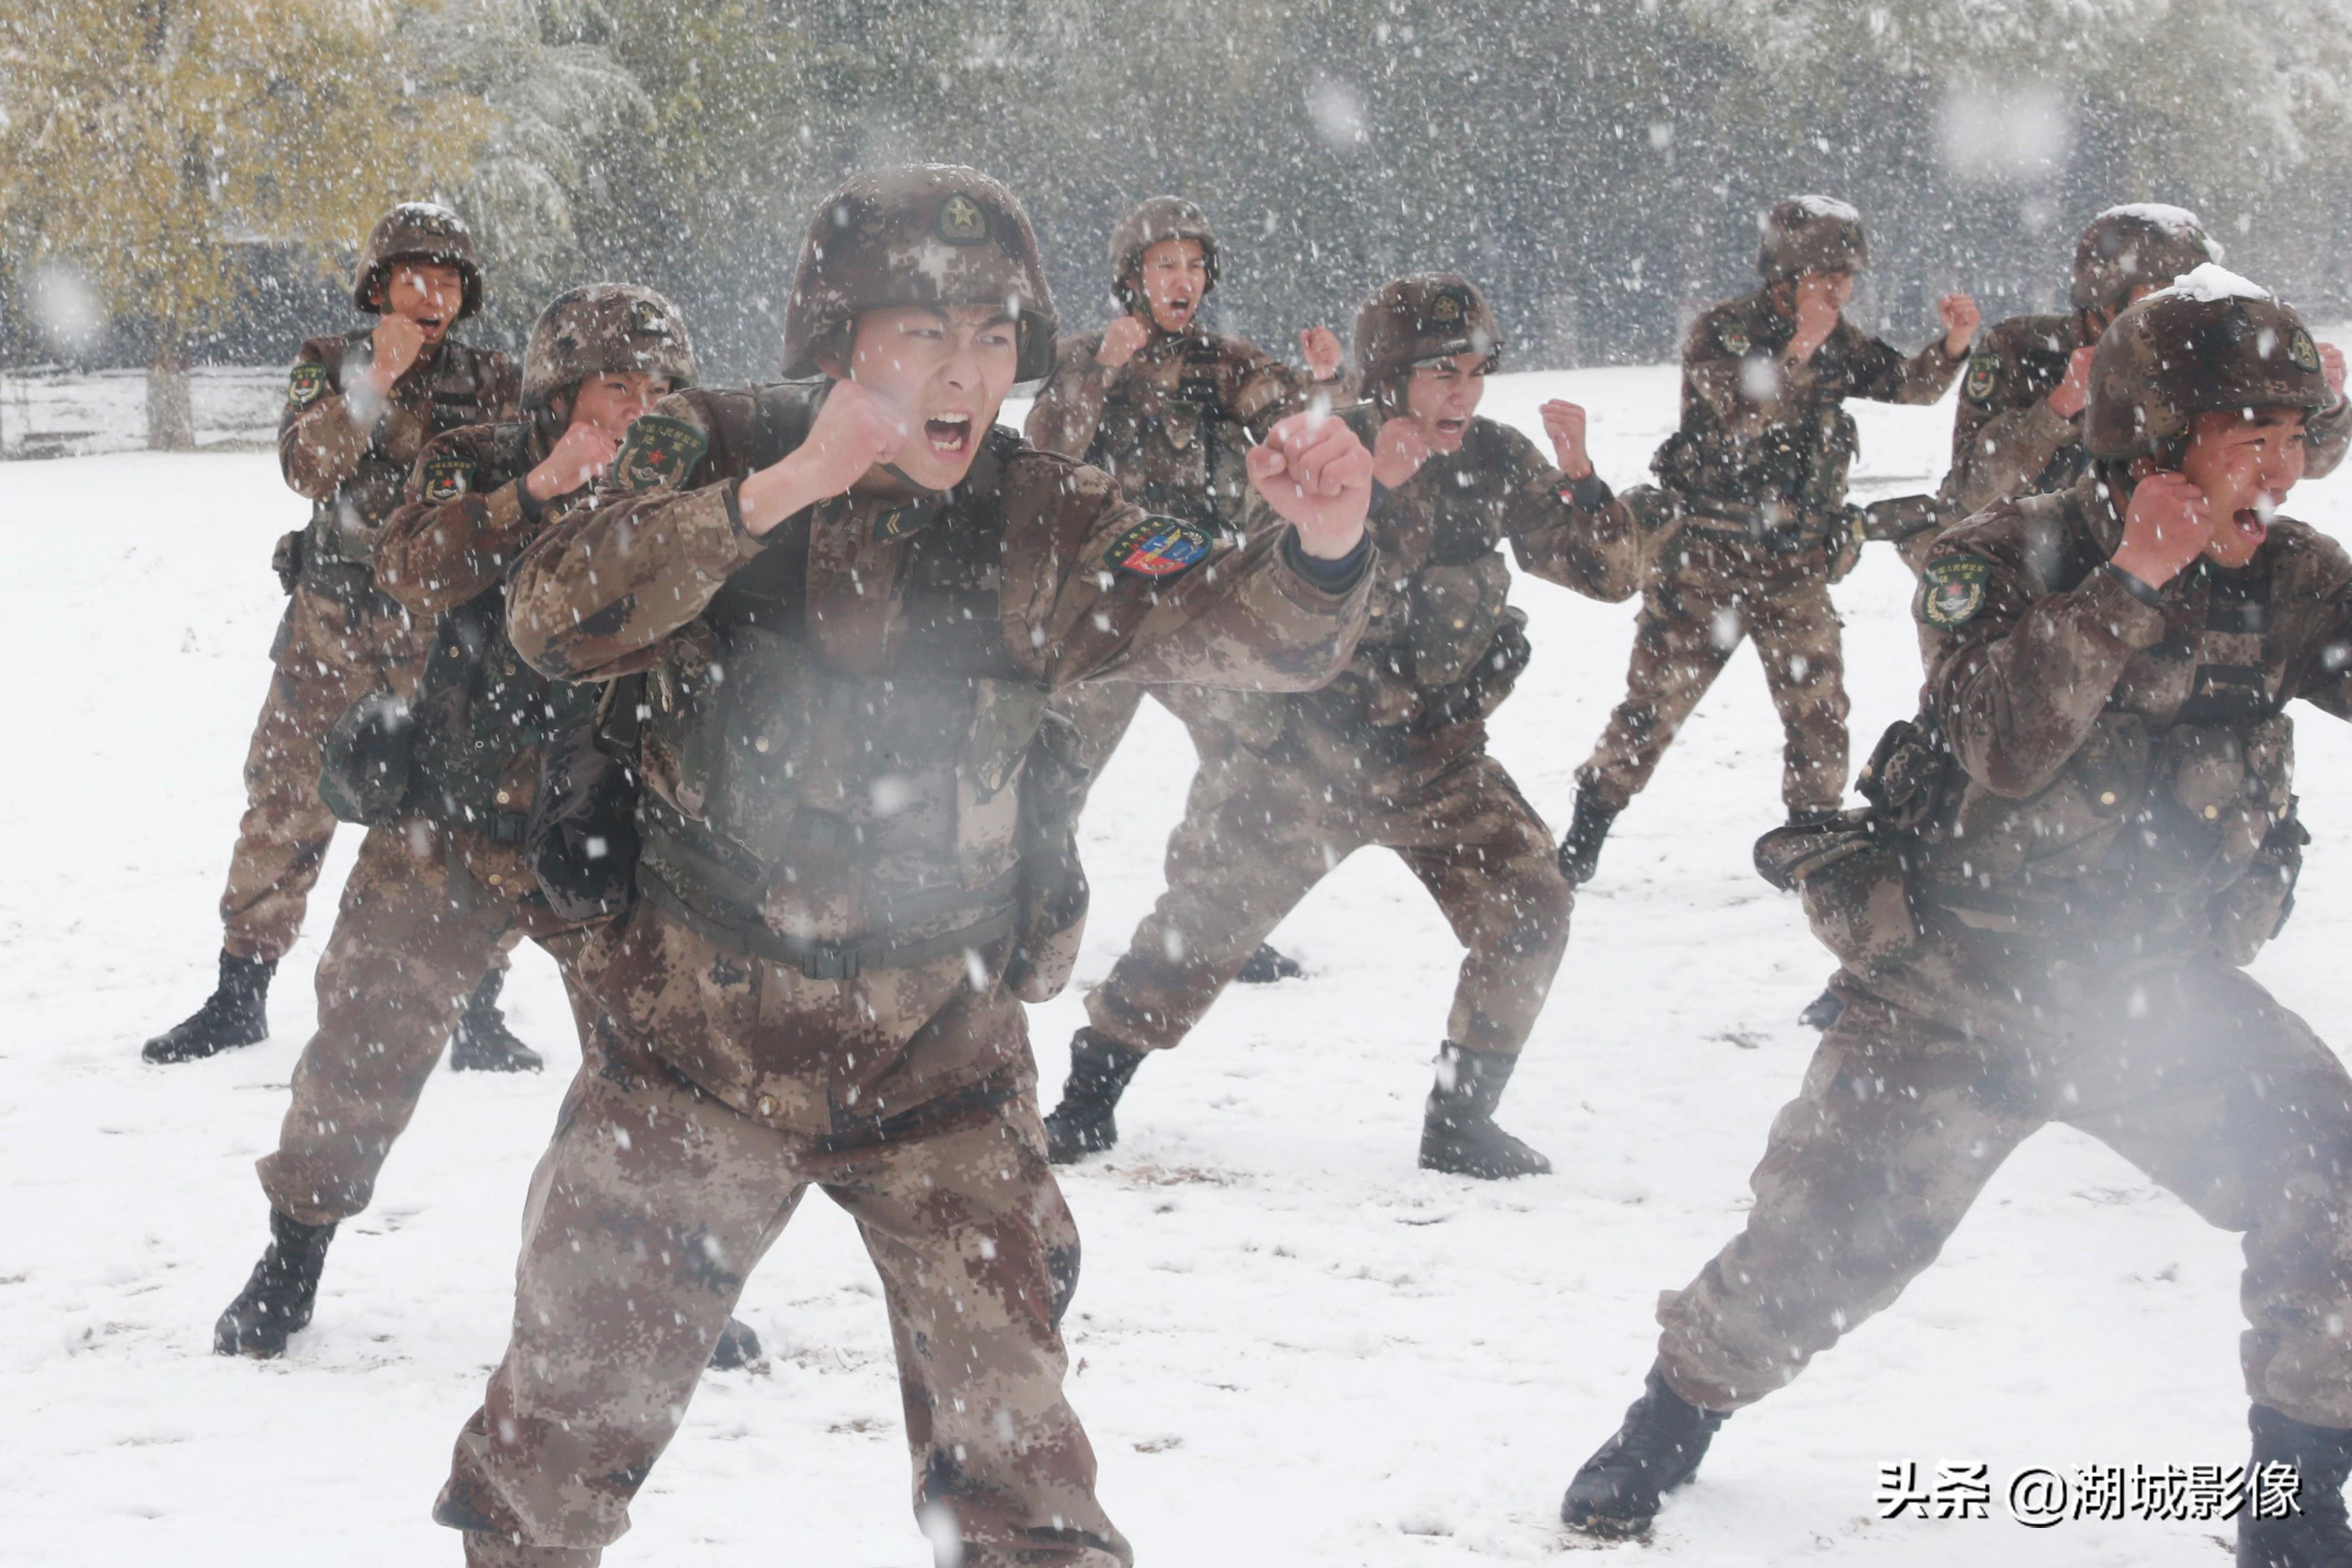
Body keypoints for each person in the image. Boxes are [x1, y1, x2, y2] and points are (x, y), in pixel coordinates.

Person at [429, 164, 1377, 1568]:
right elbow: (556, 613)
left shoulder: (1040, 510)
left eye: (994, 337)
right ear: (839, 340)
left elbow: (1231, 635)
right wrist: (782, 492)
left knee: (1024, 1490)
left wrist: (1323, 540)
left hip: (942, 1057)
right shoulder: (708, 444)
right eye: (924, 334)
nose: (964, 373)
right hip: (694, 1049)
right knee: (551, 1465)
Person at [1557, 267, 2352, 1568]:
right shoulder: (2003, 554)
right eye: (2243, 441)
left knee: (2333, 1172)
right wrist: (2133, 584)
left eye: (2291, 440)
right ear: (2154, 443)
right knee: (1813, 1256)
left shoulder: (2292, 576)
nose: (2277, 476)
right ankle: (1673, 1415)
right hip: (1954, 991)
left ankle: (2300, 1497)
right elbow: (2005, 745)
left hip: (2158, 1001)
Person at [209, 284, 754, 1372]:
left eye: (660, 388)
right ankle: (293, 1252)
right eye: (616, 385)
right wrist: (535, 494)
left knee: (661, 1069)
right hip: (451, 823)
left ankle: (671, 1274)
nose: (640, 407)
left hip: (606, 830)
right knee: (364, 1039)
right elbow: (408, 566)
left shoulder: (686, 487)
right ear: (559, 392)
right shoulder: (477, 454)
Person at [1042, 274, 1655, 1178]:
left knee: (1532, 909)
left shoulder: (1493, 458)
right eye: (1443, 372)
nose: (1465, 392)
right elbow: (1263, 575)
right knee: (1196, 939)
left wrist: (1581, 479)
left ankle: (1459, 1118)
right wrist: (1378, 500)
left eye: (1478, 371)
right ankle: (1086, 1098)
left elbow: (1611, 578)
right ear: (1390, 376)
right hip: (1300, 762)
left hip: (1438, 765)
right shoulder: (1326, 450)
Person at [145, 203, 534, 1070]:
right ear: (379, 287)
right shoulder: (330, 362)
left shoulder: (497, 378)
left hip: (446, 638)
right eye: (412, 277)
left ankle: (477, 1010)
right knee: (285, 802)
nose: (431, 295)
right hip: (332, 631)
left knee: (461, 816)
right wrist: (375, 383)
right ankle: (238, 997)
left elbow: (518, 487)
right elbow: (307, 468)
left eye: (447, 280)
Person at [1559, 195, 1980, 886]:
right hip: (1705, 567)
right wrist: (1801, 349)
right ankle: (1589, 824)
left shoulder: (1838, 337)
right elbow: (1739, 419)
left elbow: (1908, 385)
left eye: (1847, 276)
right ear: (1784, 275)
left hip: (1794, 568)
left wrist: (1954, 345)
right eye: (1826, 275)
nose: (1840, 290)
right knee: (1653, 709)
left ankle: (1809, 836)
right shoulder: (1722, 332)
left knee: (1819, 712)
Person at [1027, 195, 1346, 986]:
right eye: (1166, 265)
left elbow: (1286, 422)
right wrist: (1103, 369)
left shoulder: (1223, 360)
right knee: (1048, 777)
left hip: (1194, 607)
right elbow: (1044, 449)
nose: (1183, 280)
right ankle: (1024, 929)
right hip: (1101, 611)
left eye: (1195, 265)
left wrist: (1326, 384)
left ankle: (1208, 927)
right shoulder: (1083, 356)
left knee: (1251, 755)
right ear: (1132, 278)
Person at [1943, 204, 2350, 521]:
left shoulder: (2205, 352)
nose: (2173, 312)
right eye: (2156, 295)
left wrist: (2320, 404)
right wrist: (2059, 408)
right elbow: (1971, 491)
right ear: (2102, 299)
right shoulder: (2021, 348)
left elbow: (2298, 463)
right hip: (2033, 556)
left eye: (2184, 294)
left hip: (2166, 552)